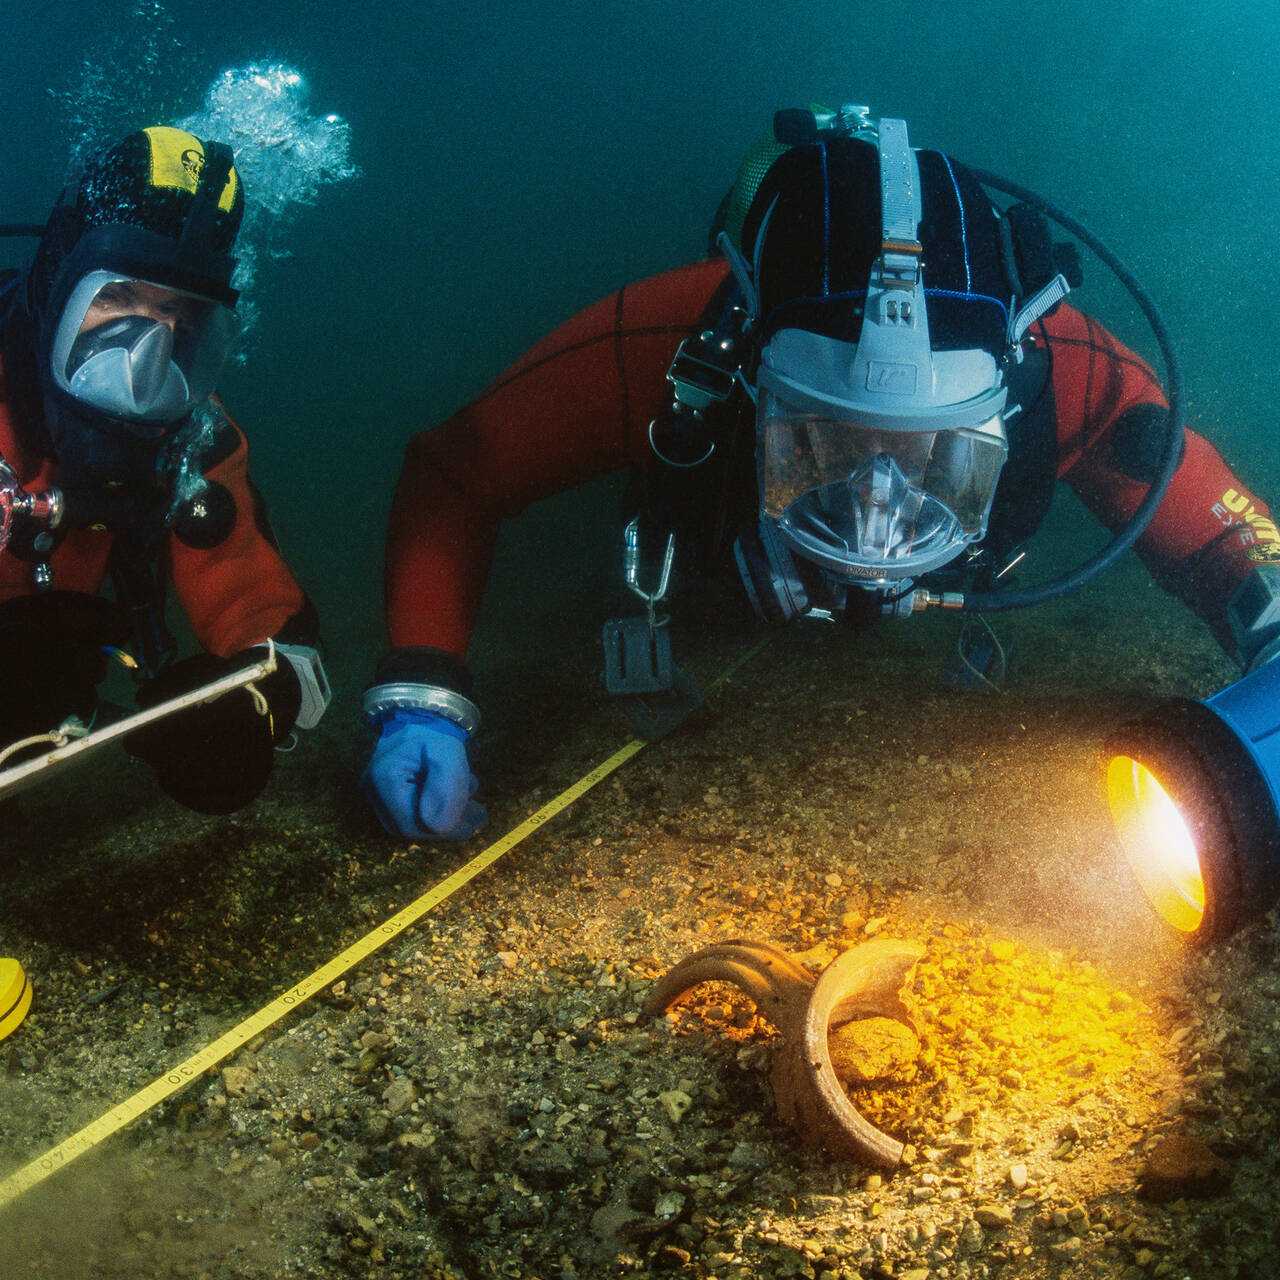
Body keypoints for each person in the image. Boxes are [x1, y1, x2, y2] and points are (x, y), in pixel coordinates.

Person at [361, 105, 1277, 840]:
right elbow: (455, 475)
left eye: (935, 455)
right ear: (755, 369)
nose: (879, 507)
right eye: (827, 444)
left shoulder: (1067, 368)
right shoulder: (679, 347)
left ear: (1006, 385)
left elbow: (1231, 538)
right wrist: (423, 695)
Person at [0, 124, 329, 813]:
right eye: (117, 299)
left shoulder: (192, 439)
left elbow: (251, 596)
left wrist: (254, 698)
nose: (142, 354)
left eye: (172, 312)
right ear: (58, 281)